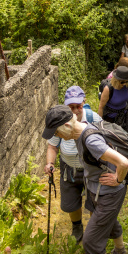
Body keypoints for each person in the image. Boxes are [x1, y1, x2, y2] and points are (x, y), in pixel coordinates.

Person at [42, 104, 128, 254]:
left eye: (57, 131)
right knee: (109, 223)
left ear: (66, 125)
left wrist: (117, 179)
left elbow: (123, 162)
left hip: (109, 193)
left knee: (90, 240)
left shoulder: (90, 139)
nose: (57, 136)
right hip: (96, 190)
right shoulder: (79, 131)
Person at [44, 86, 101, 244]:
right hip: (68, 168)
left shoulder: (93, 118)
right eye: (71, 107)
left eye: (78, 106)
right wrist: (49, 163)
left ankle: (92, 231)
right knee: (70, 203)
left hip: (91, 169)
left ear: (84, 102)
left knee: (93, 201)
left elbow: (103, 143)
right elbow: (52, 146)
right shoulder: (60, 121)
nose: (75, 110)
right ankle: (77, 227)